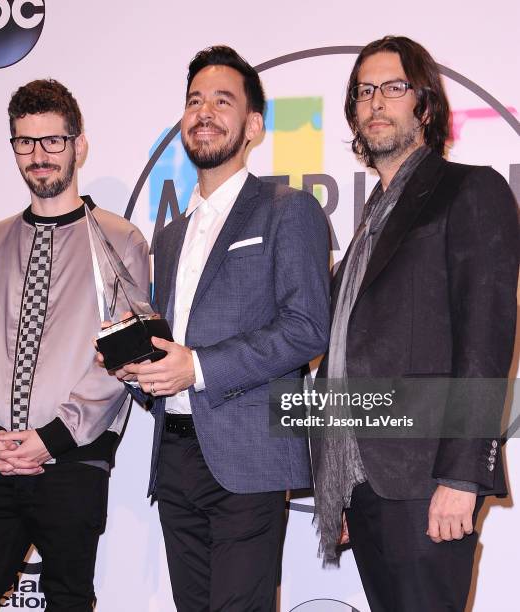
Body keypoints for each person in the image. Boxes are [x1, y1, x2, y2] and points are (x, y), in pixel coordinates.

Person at [116, 46, 330, 611]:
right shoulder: (169, 235)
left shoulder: (289, 209)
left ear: (253, 125)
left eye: (222, 101)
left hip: (250, 456)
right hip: (174, 458)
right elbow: (172, 353)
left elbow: (308, 328)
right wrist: (138, 368)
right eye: (194, 101)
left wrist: (199, 367)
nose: (204, 112)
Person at [311, 36, 518, 612]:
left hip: (429, 479)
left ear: (425, 105)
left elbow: (486, 341)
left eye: (393, 88)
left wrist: (462, 476)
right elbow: (346, 351)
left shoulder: (470, 190)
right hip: (367, 486)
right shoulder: (370, 222)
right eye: (364, 91)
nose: (376, 102)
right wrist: (339, 479)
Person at [0, 79, 149, 611]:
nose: (39, 155)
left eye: (52, 140)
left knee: (66, 601)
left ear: (78, 145)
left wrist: (54, 438)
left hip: (74, 467)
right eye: (25, 142)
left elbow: (124, 358)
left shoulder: (119, 240)